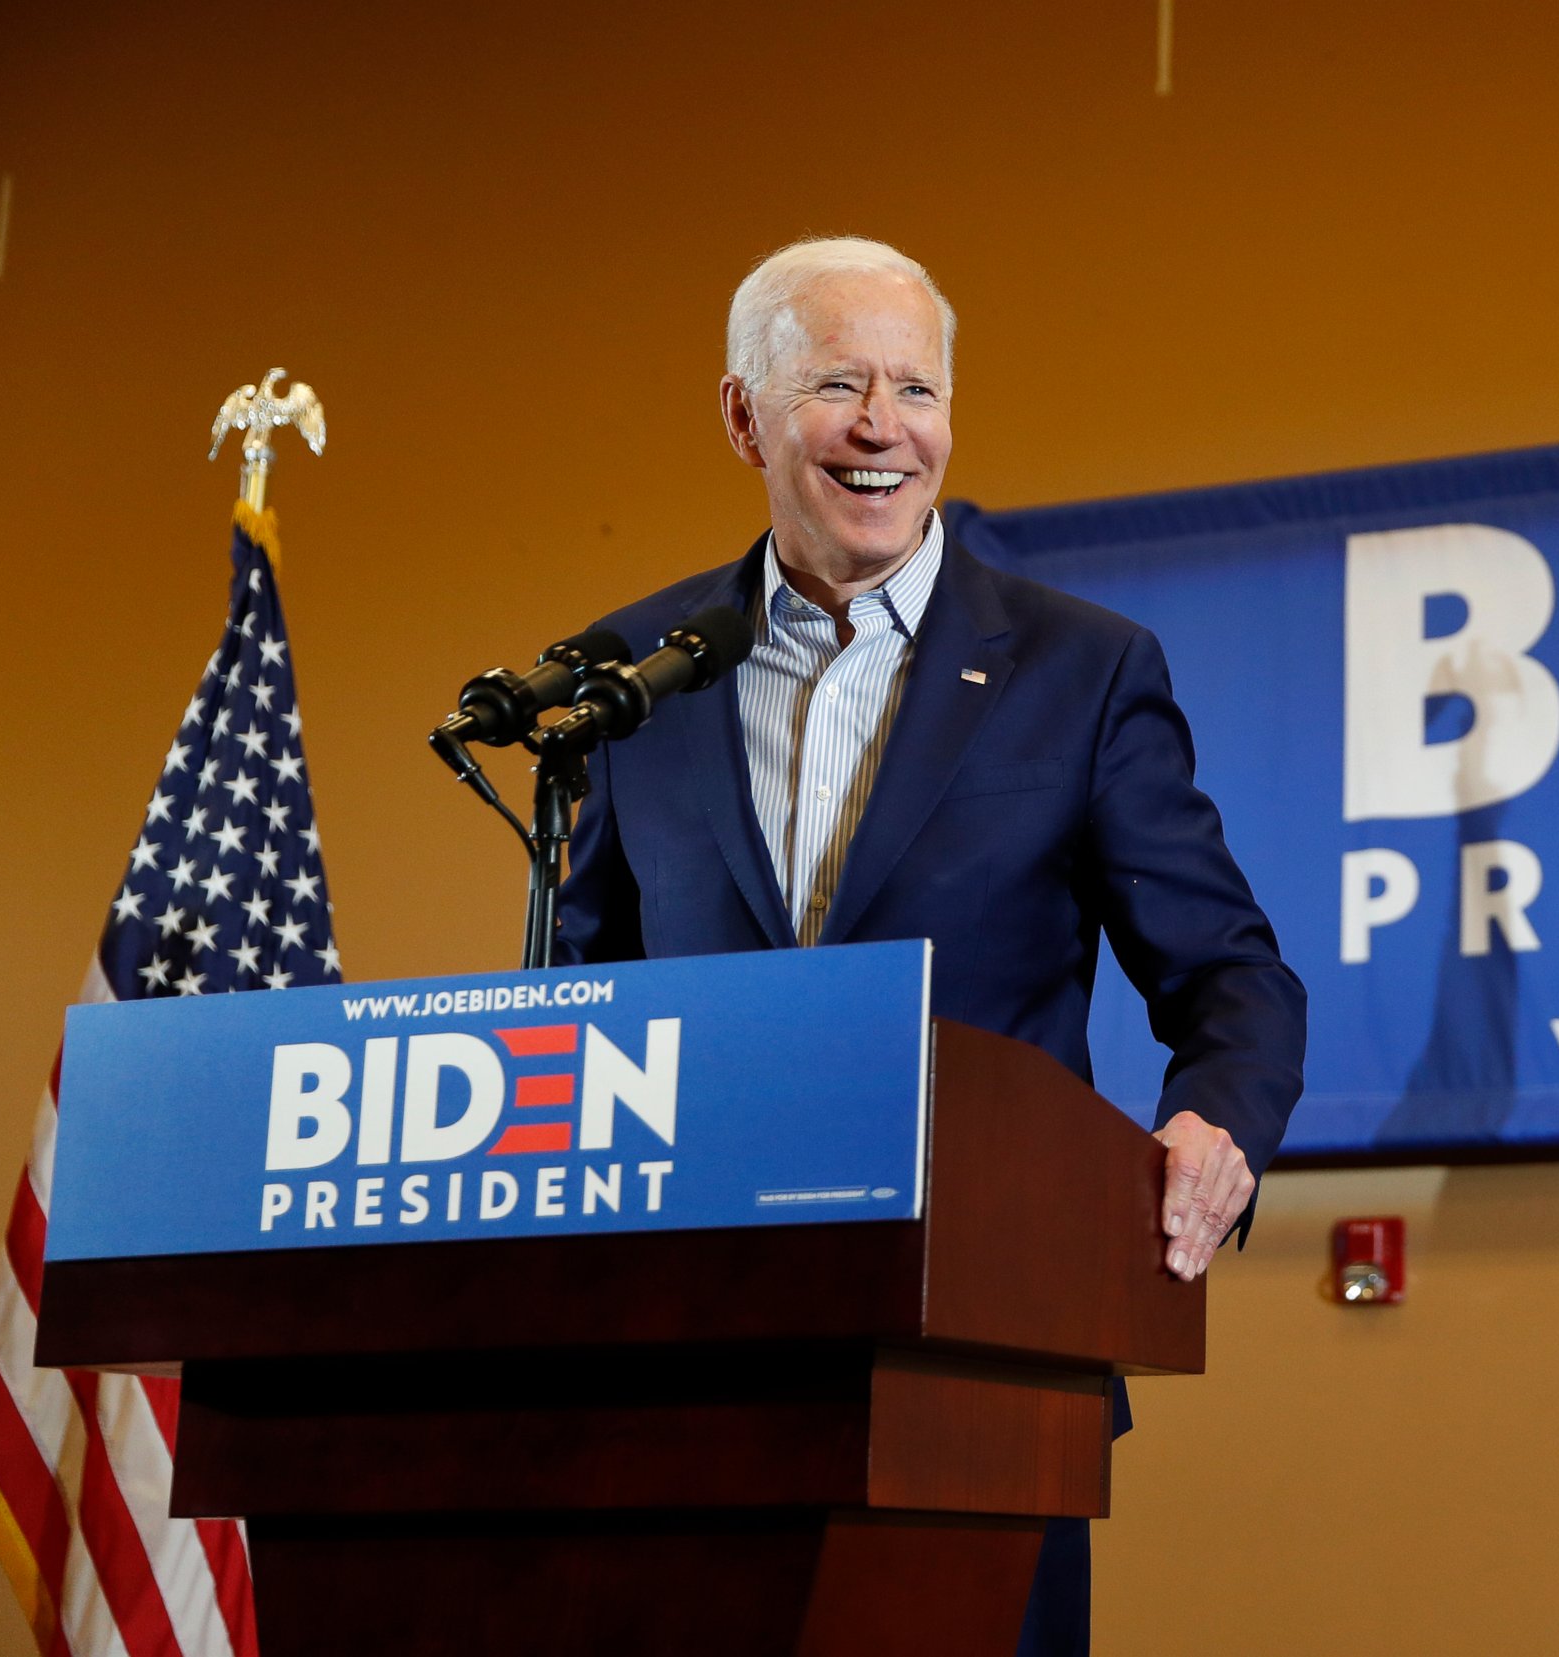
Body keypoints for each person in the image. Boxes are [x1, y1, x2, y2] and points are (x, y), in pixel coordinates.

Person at [553, 236, 1306, 1654]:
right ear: (743, 417)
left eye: (917, 386)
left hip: (984, 1358)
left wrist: (1217, 1117)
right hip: (688, 1368)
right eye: (838, 382)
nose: (883, 425)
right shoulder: (630, 678)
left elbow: (1230, 974)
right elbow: (574, 1001)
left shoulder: (1082, 668)